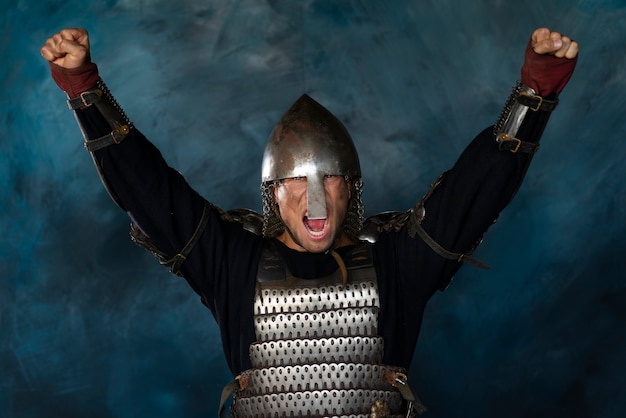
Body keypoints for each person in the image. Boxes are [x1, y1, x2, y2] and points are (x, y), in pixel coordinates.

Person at [41, 26, 578, 417]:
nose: (313, 198)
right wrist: (85, 89)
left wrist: (535, 93)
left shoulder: (397, 261)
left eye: (329, 179)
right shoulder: (232, 262)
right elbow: (152, 192)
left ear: (352, 188)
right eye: (295, 181)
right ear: (273, 195)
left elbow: (471, 195)